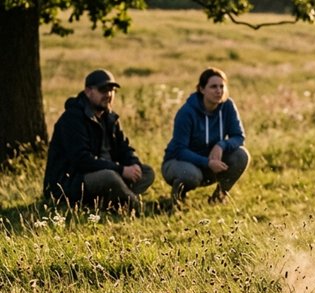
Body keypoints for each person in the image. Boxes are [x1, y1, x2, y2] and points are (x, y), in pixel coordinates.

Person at [43, 69, 155, 212]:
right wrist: (121, 170)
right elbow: (82, 160)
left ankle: (109, 203)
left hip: (106, 172)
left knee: (146, 172)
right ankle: (135, 207)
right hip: (72, 181)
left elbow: (124, 148)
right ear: (88, 91)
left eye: (112, 90)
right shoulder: (73, 118)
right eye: (103, 90)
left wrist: (133, 164)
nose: (108, 95)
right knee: (109, 177)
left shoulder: (110, 117)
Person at [162, 68, 249, 205]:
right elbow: (180, 150)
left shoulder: (228, 106)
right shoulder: (187, 112)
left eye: (222, 86)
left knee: (241, 155)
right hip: (178, 163)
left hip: (210, 162)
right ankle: (177, 198)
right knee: (191, 175)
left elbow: (239, 136)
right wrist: (207, 162)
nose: (219, 91)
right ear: (202, 89)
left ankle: (218, 198)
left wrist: (221, 145)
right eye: (213, 86)